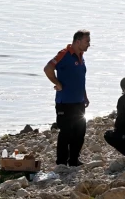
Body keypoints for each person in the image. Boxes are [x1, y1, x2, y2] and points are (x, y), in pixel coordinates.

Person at [43, 30, 91, 166]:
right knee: (66, 132)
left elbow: (80, 78)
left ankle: (74, 160)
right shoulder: (64, 54)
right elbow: (48, 68)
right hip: (65, 102)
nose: (89, 44)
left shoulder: (81, 56)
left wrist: (85, 96)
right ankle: (61, 163)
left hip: (79, 102)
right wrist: (57, 83)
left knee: (80, 132)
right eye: (87, 41)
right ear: (78, 41)